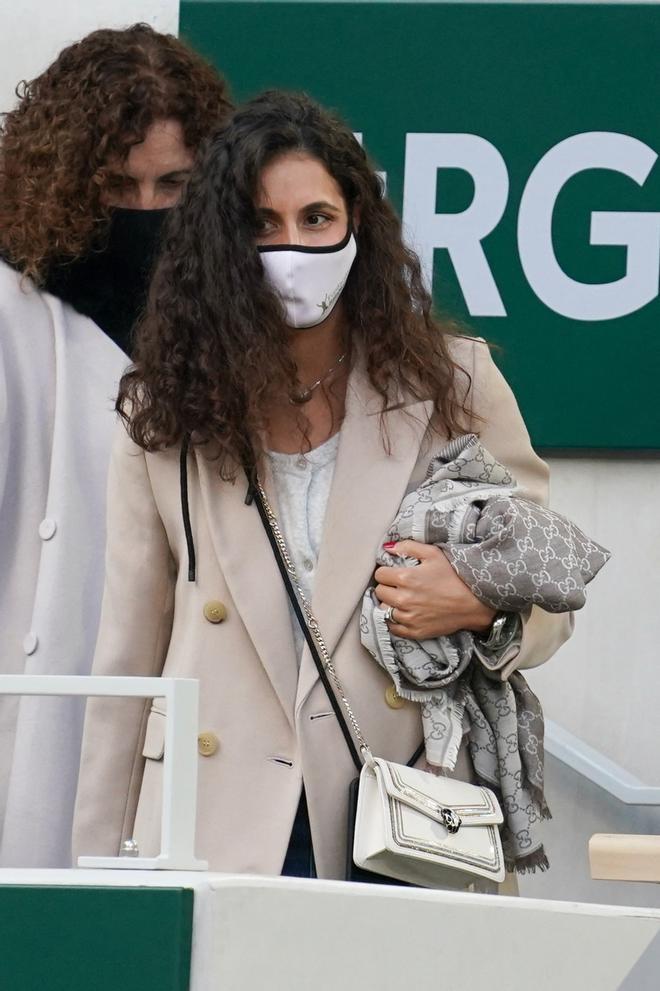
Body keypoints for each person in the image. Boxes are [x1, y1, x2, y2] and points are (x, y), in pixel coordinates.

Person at [73, 91, 573, 881]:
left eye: (315, 218)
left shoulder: (452, 382)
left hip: (400, 808)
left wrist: (481, 603)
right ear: (222, 243)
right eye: (263, 224)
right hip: (214, 814)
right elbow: (130, 647)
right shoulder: (163, 407)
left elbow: (550, 589)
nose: (292, 246)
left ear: (357, 225)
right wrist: (95, 871)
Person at [0, 23, 231, 868]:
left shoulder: (241, 314)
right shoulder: (15, 308)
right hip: (41, 697)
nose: (144, 213)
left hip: (200, 710)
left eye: (173, 184)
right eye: (116, 185)